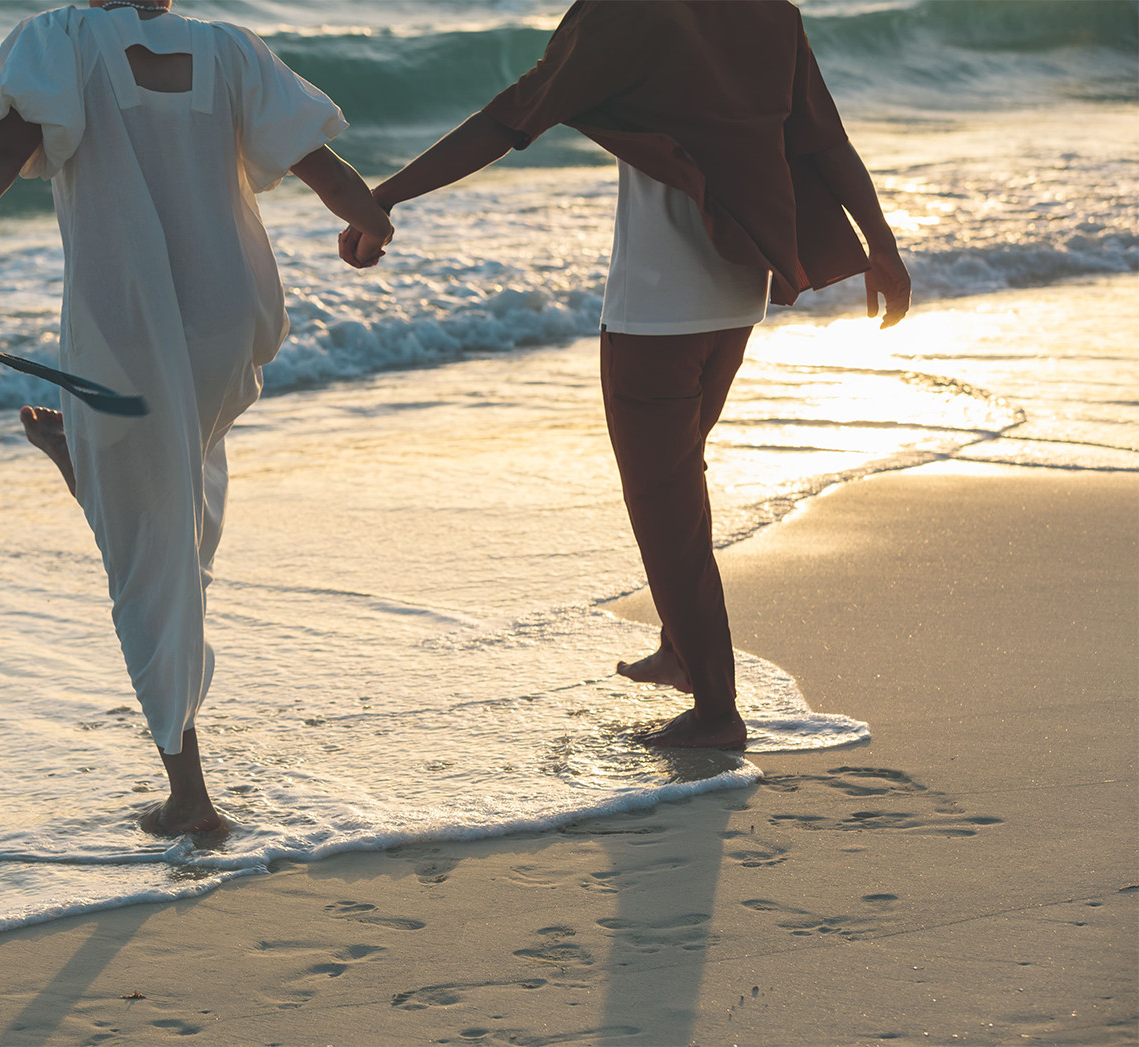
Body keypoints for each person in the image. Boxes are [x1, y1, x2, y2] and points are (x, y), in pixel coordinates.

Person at [340, 0, 910, 749]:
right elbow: (823, 139)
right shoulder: (770, 12)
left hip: (657, 307)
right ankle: (681, 650)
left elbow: (507, 120)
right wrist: (882, 245)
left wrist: (383, 196)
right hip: (739, 288)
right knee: (680, 478)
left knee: (664, 503)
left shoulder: (623, 12)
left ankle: (716, 712)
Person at [0, 0, 393, 833]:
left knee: (147, 551)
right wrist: (369, 221)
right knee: (174, 491)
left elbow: (6, 152)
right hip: (226, 325)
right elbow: (323, 167)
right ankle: (90, 459)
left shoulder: (63, 41)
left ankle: (190, 797)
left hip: (127, 321)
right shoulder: (228, 50)